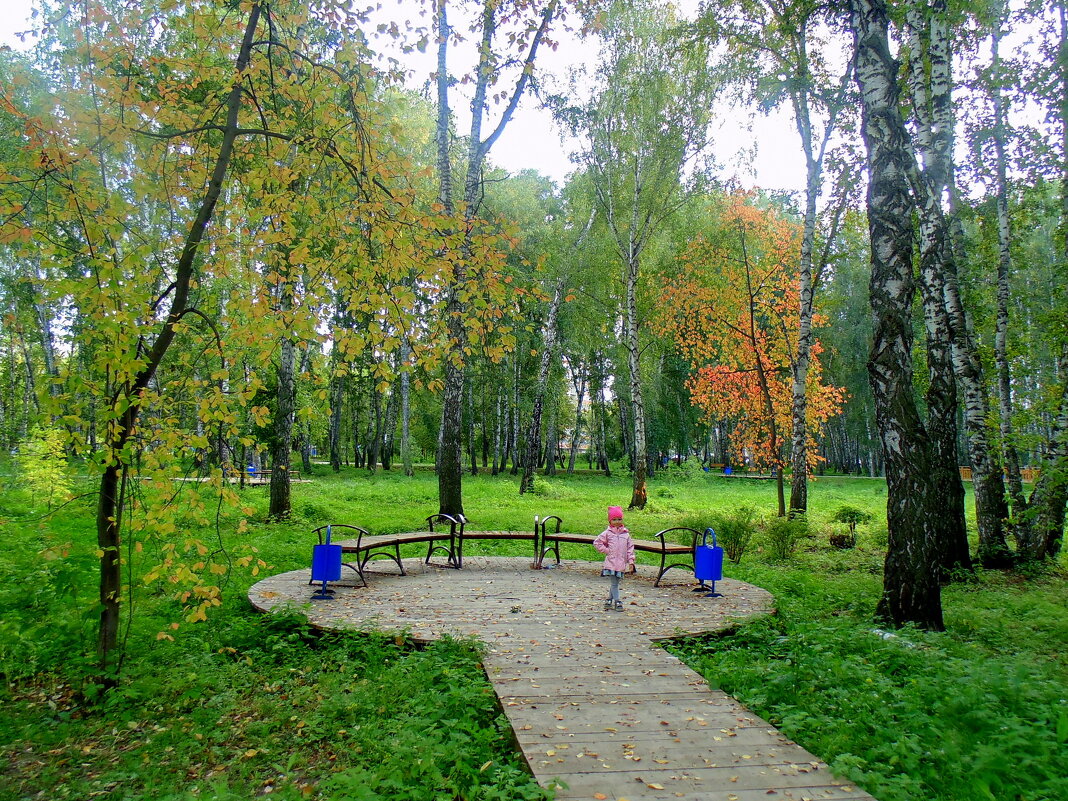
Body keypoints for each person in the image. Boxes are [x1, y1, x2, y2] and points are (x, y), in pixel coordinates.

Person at [594, 506, 635, 611]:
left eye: (619, 519)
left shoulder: (626, 535)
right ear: (610, 520)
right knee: (614, 583)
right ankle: (617, 601)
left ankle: (609, 600)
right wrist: (607, 551)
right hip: (611, 562)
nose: (617, 521)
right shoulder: (607, 533)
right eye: (614, 519)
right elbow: (597, 543)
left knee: (615, 582)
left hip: (621, 563)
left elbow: (630, 549)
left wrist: (631, 562)